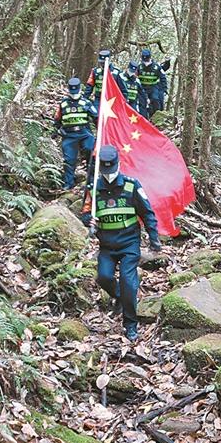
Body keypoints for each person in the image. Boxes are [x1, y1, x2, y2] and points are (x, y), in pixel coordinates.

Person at [81, 145, 161, 341]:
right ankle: (119, 296)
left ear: (118, 165)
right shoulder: (93, 189)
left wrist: (154, 238)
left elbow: (147, 213)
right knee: (103, 277)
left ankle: (130, 324)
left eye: (111, 169)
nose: (108, 174)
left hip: (129, 243)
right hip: (107, 245)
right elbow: (84, 212)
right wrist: (87, 220)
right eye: (105, 170)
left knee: (128, 282)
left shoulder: (131, 185)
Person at [52, 77, 98, 190]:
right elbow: (57, 119)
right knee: (69, 159)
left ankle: (91, 180)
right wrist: (56, 130)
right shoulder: (63, 104)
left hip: (84, 133)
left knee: (91, 152)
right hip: (69, 135)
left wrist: (100, 129)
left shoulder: (86, 103)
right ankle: (68, 183)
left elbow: (96, 117)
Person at [138, 48, 168, 116]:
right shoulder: (139, 67)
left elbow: (163, 78)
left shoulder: (157, 67)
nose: (146, 63)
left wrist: (165, 90)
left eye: (147, 60)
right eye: (144, 61)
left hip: (153, 87)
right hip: (143, 88)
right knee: (143, 103)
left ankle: (156, 117)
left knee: (155, 100)